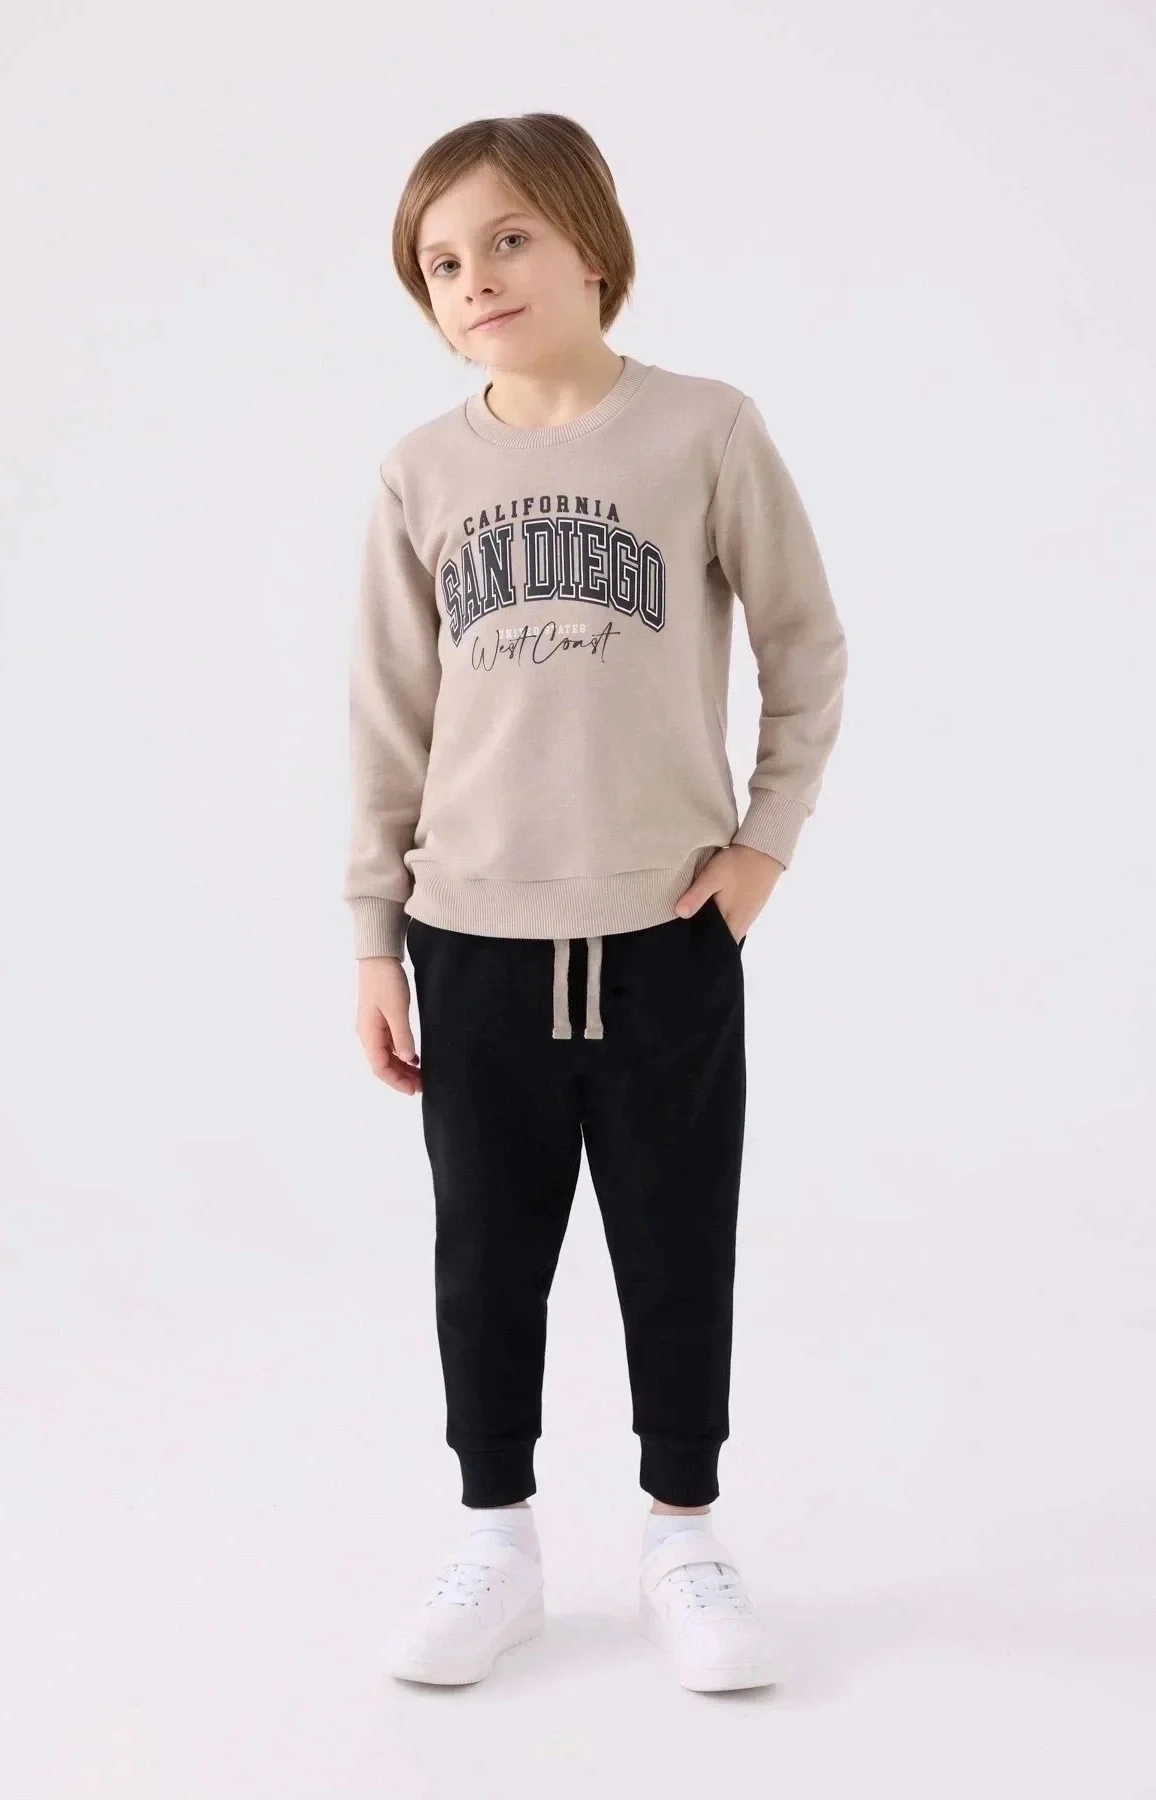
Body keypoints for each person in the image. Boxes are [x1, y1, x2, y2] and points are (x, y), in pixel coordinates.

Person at [344, 111, 848, 1692]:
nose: (477, 277)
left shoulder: (704, 431)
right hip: (470, 936)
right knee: (485, 1255)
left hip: (668, 934)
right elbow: (387, 719)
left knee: (677, 1243)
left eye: (508, 238)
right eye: (441, 262)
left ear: (591, 246)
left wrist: (763, 848)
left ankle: (684, 1539)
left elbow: (808, 647)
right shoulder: (422, 472)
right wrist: (373, 936)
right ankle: (495, 1543)